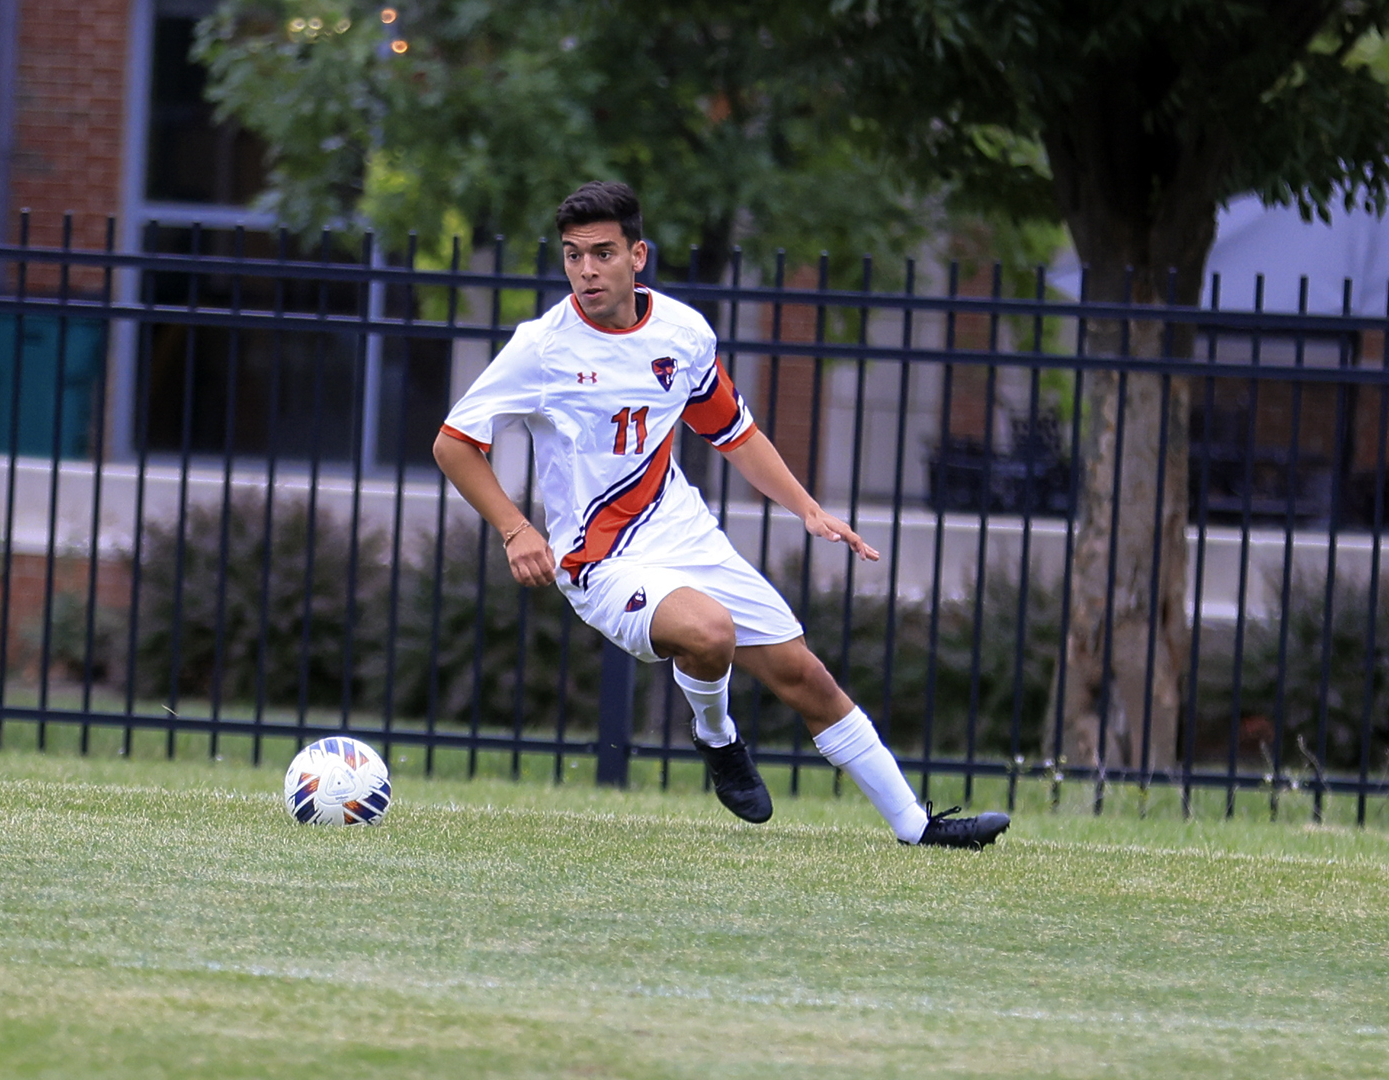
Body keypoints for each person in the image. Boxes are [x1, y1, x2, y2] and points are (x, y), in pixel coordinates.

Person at [431, 181, 1010, 849]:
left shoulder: (681, 333)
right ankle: (716, 737)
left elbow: (733, 432)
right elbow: (454, 443)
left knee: (804, 676)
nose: (586, 271)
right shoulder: (542, 346)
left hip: (686, 533)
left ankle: (918, 827)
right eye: (572, 255)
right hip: (599, 560)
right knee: (708, 632)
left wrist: (808, 509)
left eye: (602, 253)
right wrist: (516, 527)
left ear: (637, 255)